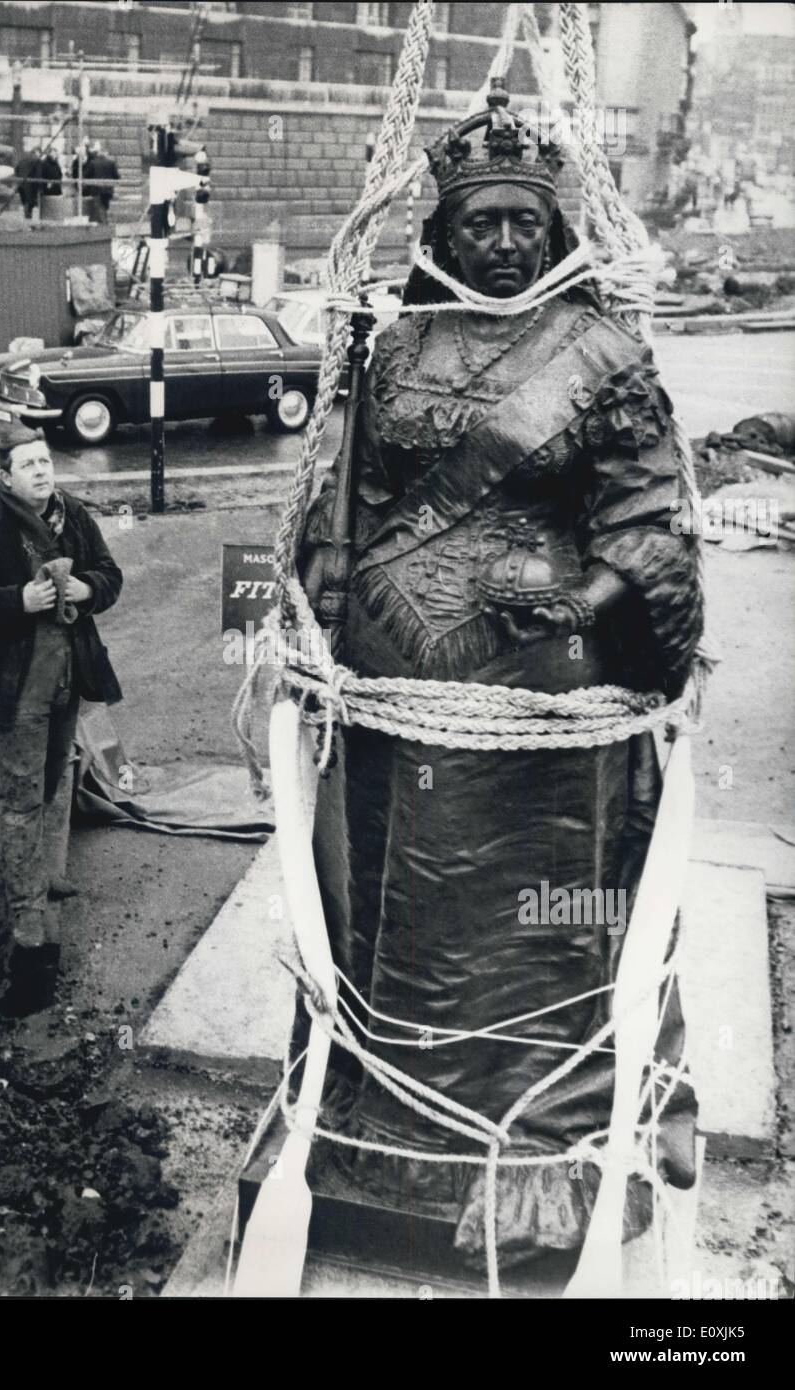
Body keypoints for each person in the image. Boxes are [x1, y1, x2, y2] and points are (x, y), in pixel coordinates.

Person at [298, 92, 704, 1272]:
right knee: (392, 909)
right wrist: (319, 613)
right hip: (393, 707)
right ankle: (380, 1135)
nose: (509, 245)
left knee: (539, 930)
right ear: (446, 230)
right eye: (486, 224)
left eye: (527, 223)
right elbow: (352, 504)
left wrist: (583, 602)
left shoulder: (603, 355)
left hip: (544, 711)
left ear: (555, 228)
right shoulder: (390, 347)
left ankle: (533, 1151)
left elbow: (647, 516)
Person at [0, 425, 123, 1015]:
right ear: (6, 475)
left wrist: (86, 590)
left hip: (65, 687)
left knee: (46, 793)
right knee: (20, 807)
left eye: (46, 461)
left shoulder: (74, 517)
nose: (43, 471)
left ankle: (13, 907)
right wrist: (18, 602)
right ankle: (27, 947)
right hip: (10, 693)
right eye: (29, 464)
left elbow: (111, 576)